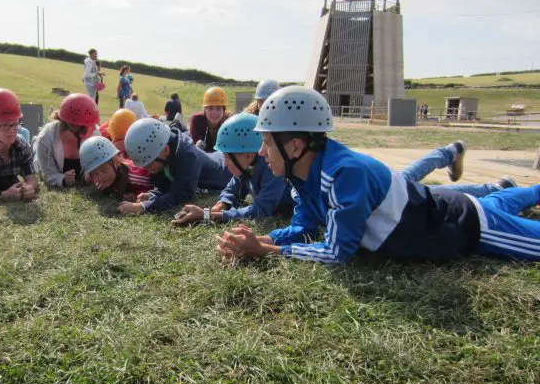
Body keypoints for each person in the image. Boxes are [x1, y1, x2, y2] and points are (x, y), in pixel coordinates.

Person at [216, 86, 540, 263]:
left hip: (466, 225)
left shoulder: (344, 175)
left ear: (296, 146)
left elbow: (337, 251)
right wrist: (265, 238)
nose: (261, 152)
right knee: (500, 199)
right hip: (454, 204)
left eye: (268, 143)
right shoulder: (303, 176)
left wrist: (268, 252)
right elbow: (305, 225)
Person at [172, 112, 293, 225]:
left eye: (227, 157)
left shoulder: (273, 170)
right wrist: (222, 204)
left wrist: (207, 215)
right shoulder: (246, 166)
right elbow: (231, 189)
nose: (225, 163)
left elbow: (261, 210)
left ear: (248, 155)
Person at [120, 118, 233, 215]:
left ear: (165, 150)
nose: (147, 170)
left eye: (148, 164)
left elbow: (182, 194)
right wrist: (152, 194)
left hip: (226, 173)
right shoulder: (164, 149)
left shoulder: (188, 156)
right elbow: (166, 183)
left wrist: (142, 207)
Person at [34, 93, 100, 189]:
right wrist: (62, 179)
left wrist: (90, 175)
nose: (83, 131)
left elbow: (97, 165)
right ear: (66, 122)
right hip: (41, 159)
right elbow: (47, 173)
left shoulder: (95, 133)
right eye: (77, 126)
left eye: (86, 126)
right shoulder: (46, 137)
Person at [80, 136, 154, 200]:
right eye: (95, 174)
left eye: (104, 170)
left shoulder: (136, 177)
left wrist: (137, 195)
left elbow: (156, 186)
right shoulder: (95, 178)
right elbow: (87, 177)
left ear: (116, 163)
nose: (101, 177)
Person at [189, 86, 231, 153]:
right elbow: (192, 149)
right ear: (205, 109)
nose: (214, 113)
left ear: (224, 110)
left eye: (218, 108)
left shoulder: (229, 122)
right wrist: (196, 147)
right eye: (210, 108)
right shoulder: (197, 120)